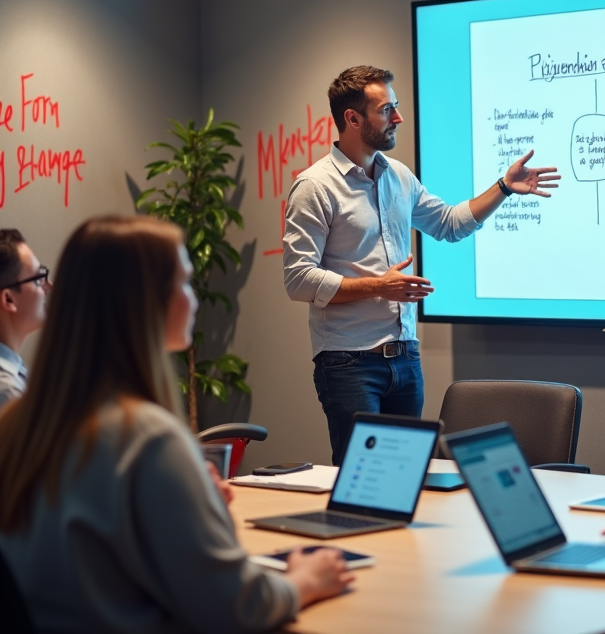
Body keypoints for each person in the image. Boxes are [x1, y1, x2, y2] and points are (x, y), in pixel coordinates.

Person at [0, 216, 352, 633]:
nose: (196, 300)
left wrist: (191, 507)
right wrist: (304, 582)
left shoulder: (16, 424)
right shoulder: (147, 439)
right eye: (184, 283)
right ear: (144, 302)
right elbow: (234, 608)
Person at [284, 65, 559, 464]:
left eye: (395, 107)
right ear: (352, 118)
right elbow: (298, 280)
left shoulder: (398, 176)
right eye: (386, 110)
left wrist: (503, 188)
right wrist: (378, 286)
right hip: (348, 363)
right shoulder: (315, 187)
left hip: (405, 359)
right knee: (366, 482)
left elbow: (449, 224)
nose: (397, 118)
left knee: (406, 477)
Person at [0, 229, 50, 411]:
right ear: (8, 299)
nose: (48, 286)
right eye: (38, 279)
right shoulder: (7, 394)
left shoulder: (16, 369)